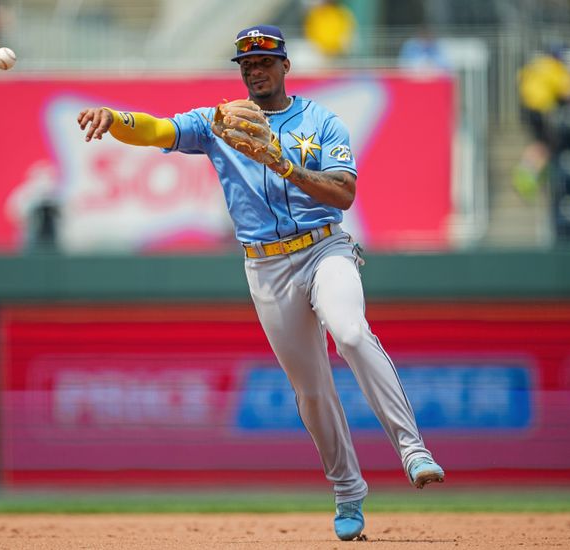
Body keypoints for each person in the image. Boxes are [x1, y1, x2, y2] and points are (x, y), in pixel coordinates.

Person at [77, 24, 444, 541]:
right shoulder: (216, 123)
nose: (255, 69)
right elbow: (157, 130)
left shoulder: (321, 120)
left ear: (285, 65)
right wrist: (115, 118)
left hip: (324, 246)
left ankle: (412, 450)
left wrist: (283, 163)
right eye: (246, 63)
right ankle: (347, 492)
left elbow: (343, 195)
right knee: (311, 391)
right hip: (266, 266)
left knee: (351, 332)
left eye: (265, 60)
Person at [513, 43, 570, 200]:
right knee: (547, 144)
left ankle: (527, 172)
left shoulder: (537, 63)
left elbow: (520, 77)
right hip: (539, 108)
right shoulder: (556, 68)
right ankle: (527, 174)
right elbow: (568, 93)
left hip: (525, 106)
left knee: (542, 142)